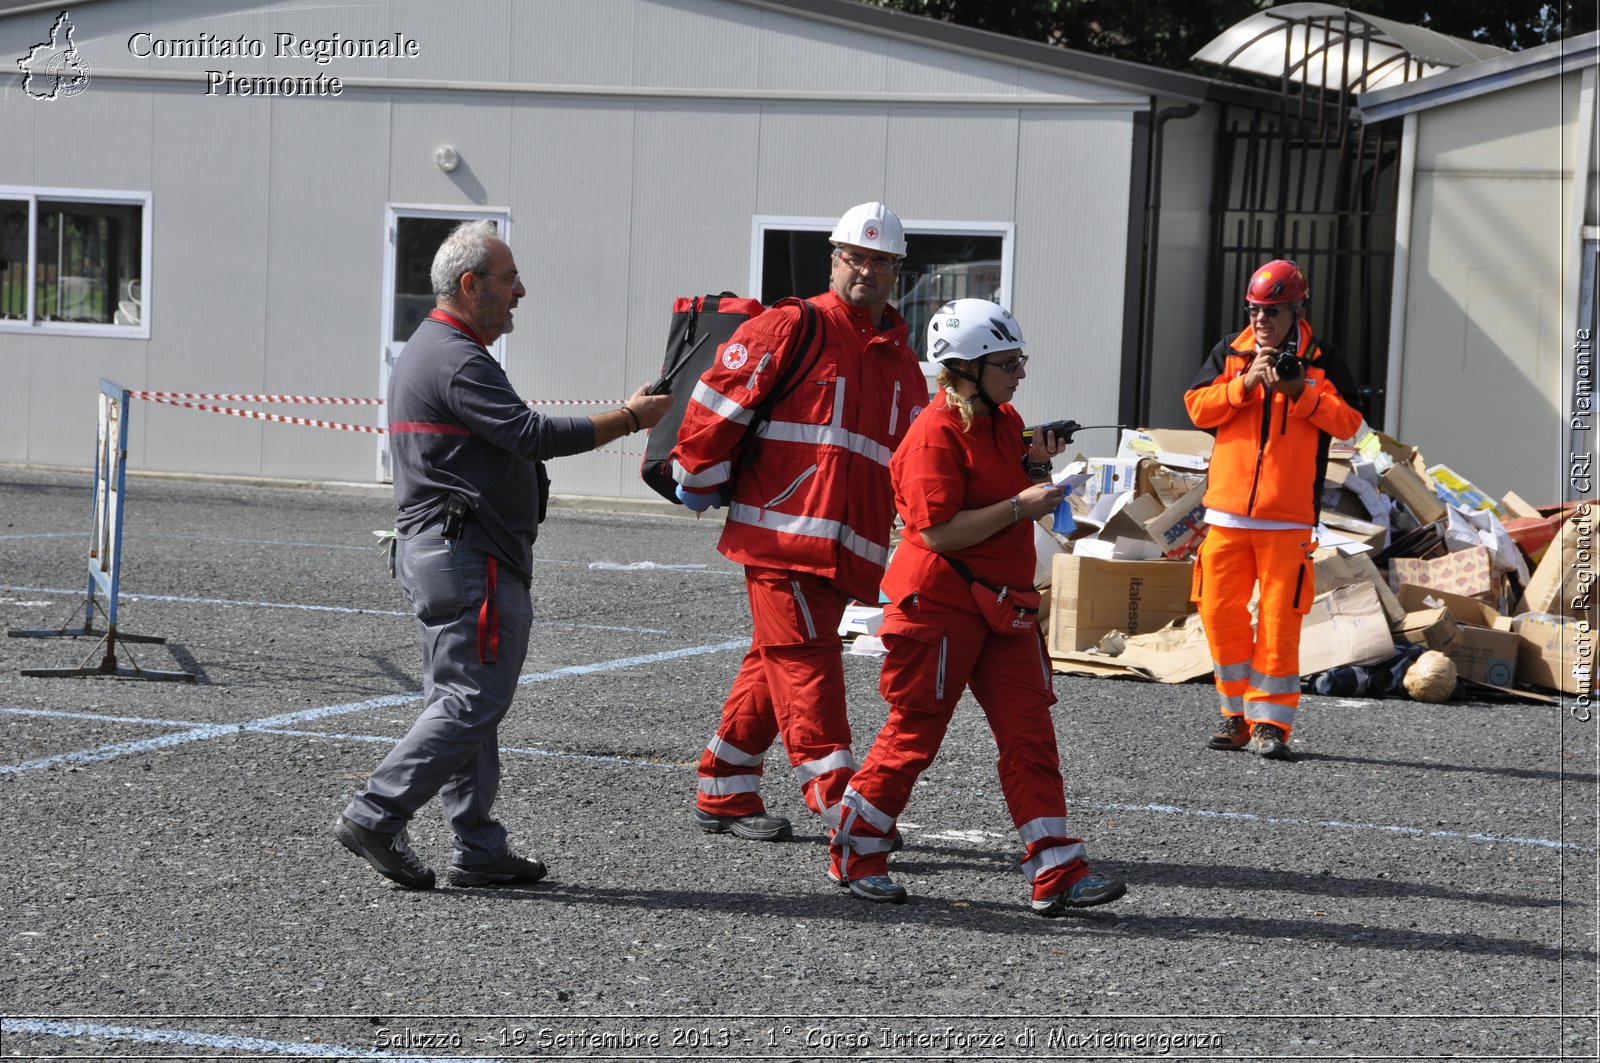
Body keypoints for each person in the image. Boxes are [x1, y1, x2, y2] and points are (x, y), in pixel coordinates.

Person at [334, 220, 671, 889]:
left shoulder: (444, 350)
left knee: (468, 702)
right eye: (509, 278)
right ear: (471, 285)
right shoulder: (454, 355)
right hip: (468, 557)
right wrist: (631, 419)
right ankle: (376, 812)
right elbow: (530, 434)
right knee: (470, 701)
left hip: (458, 554)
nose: (521, 291)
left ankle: (479, 846)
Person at [828, 298, 1127, 915]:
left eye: (1019, 360)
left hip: (1003, 606)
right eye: (1007, 363)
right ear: (964, 370)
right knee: (914, 735)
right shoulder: (931, 436)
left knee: (1031, 735)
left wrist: (1035, 459)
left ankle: (1056, 869)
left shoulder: (1001, 417)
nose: (1019, 373)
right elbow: (938, 533)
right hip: (939, 605)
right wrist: (1025, 503)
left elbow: (1002, 475)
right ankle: (856, 848)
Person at [670, 202, 929, 843]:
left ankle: (723, 787)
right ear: (835, 259)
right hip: (781, 539)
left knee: (775, 659)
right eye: (855, 258)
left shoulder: (900, 358)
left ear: (898, 270)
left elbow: (920, 450)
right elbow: (714, 406)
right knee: (809, 664)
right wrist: (695, 479)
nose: (866, 270)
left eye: (881, 261)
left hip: (845, 549)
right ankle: (841, 803)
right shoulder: (791, 326)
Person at [1185, 259, 1364, 761]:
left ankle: (1270, 724)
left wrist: (1301, 393)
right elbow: (1198, 408)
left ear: (1297, 309)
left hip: (1288, 519)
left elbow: (1349, 423)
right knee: (1219, 612)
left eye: (1272, 312)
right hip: (1226, 513)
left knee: (1279, 622)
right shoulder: (1232, 350)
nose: (1260, 320)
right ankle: (1234, 713)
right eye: (1255, 310)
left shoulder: (1324, 358)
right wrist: (1243, 385)